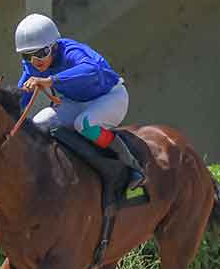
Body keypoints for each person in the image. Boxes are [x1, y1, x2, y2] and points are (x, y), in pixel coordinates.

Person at [13, 13, 146, 189]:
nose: (34, 61)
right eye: (26, 56)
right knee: (37, 125)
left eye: (40, 53)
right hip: (74, 102)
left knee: (84, 124)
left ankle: (130, 164)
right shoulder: (32, 65)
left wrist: (51, 80)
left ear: (54, 46)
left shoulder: (71, 51)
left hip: (109, 97)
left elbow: (91, 68)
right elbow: (20, 97)